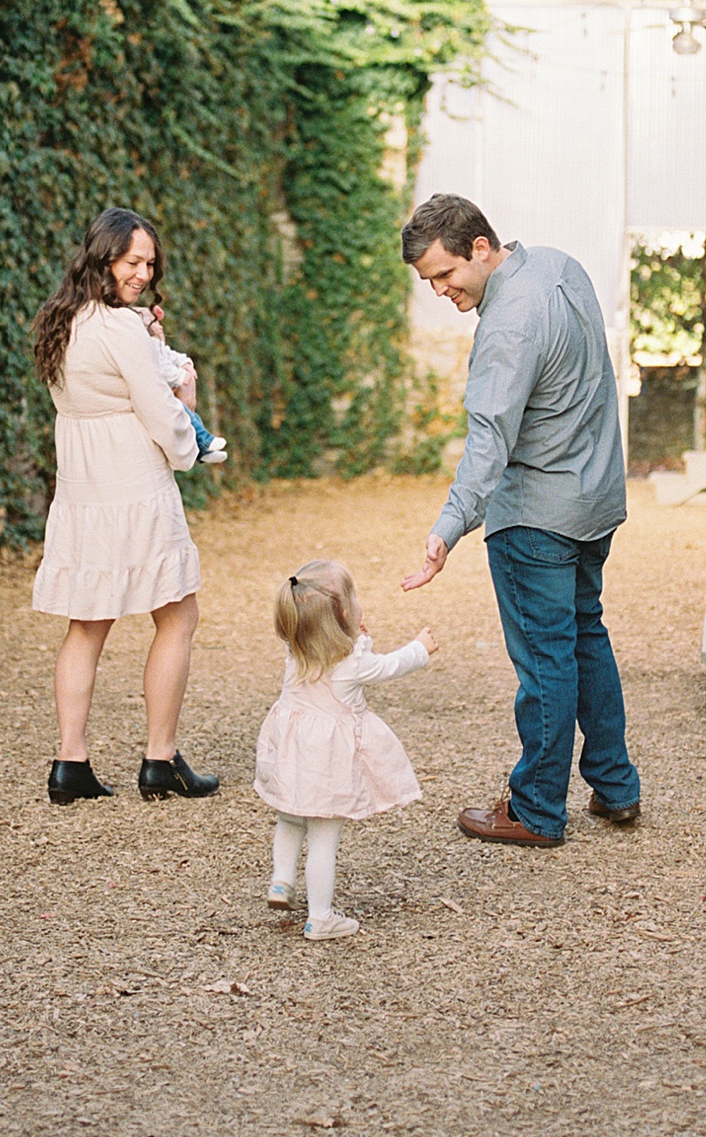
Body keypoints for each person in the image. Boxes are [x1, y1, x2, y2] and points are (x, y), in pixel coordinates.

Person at [399, 191, 640, 847]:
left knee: (546, 660)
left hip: (537, 515)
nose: (440, 291)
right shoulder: (561, 266)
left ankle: (535, 808)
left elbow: (488, 442)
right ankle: (616, 786)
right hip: (594, 500)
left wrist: (446, 530)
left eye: (445, 275)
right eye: (428, 282)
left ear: (480, 246)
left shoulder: (507, 325)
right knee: (585, 636)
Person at [31, 206, 219, 806]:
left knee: (86, 626)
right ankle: (160, 762)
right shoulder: (120, 328)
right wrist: (191, 434)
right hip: (135, 487)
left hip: (83, 489)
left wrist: (149, 335)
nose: (142, 272)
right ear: (103, 257)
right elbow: (159, 408)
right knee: (177, 615)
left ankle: (70, 764)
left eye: (149, 263)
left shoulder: (63, 321)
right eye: (132, 261)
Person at [255, 558, 433, 940]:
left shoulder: (295, 651)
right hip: (327, 765)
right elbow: (390, 666)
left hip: (291, 755)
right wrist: (421, 647)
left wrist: (356, 637)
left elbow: (340, 645)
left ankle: (281, 881)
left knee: (289, 818)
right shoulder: (352, 664)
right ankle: (320, 918)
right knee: (323, 836)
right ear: (346, 614)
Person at [132, 302, 227, 465]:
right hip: (161, 395)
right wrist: (179, 376)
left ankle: (202, 451)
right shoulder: (149, 346)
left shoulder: (159, 345)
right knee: (184, 415)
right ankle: (204, 442)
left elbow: (173, 356)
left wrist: (186, 363)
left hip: (167, 393)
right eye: (155, 324)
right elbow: (160, 368)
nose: (160, 327)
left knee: (191, 417)